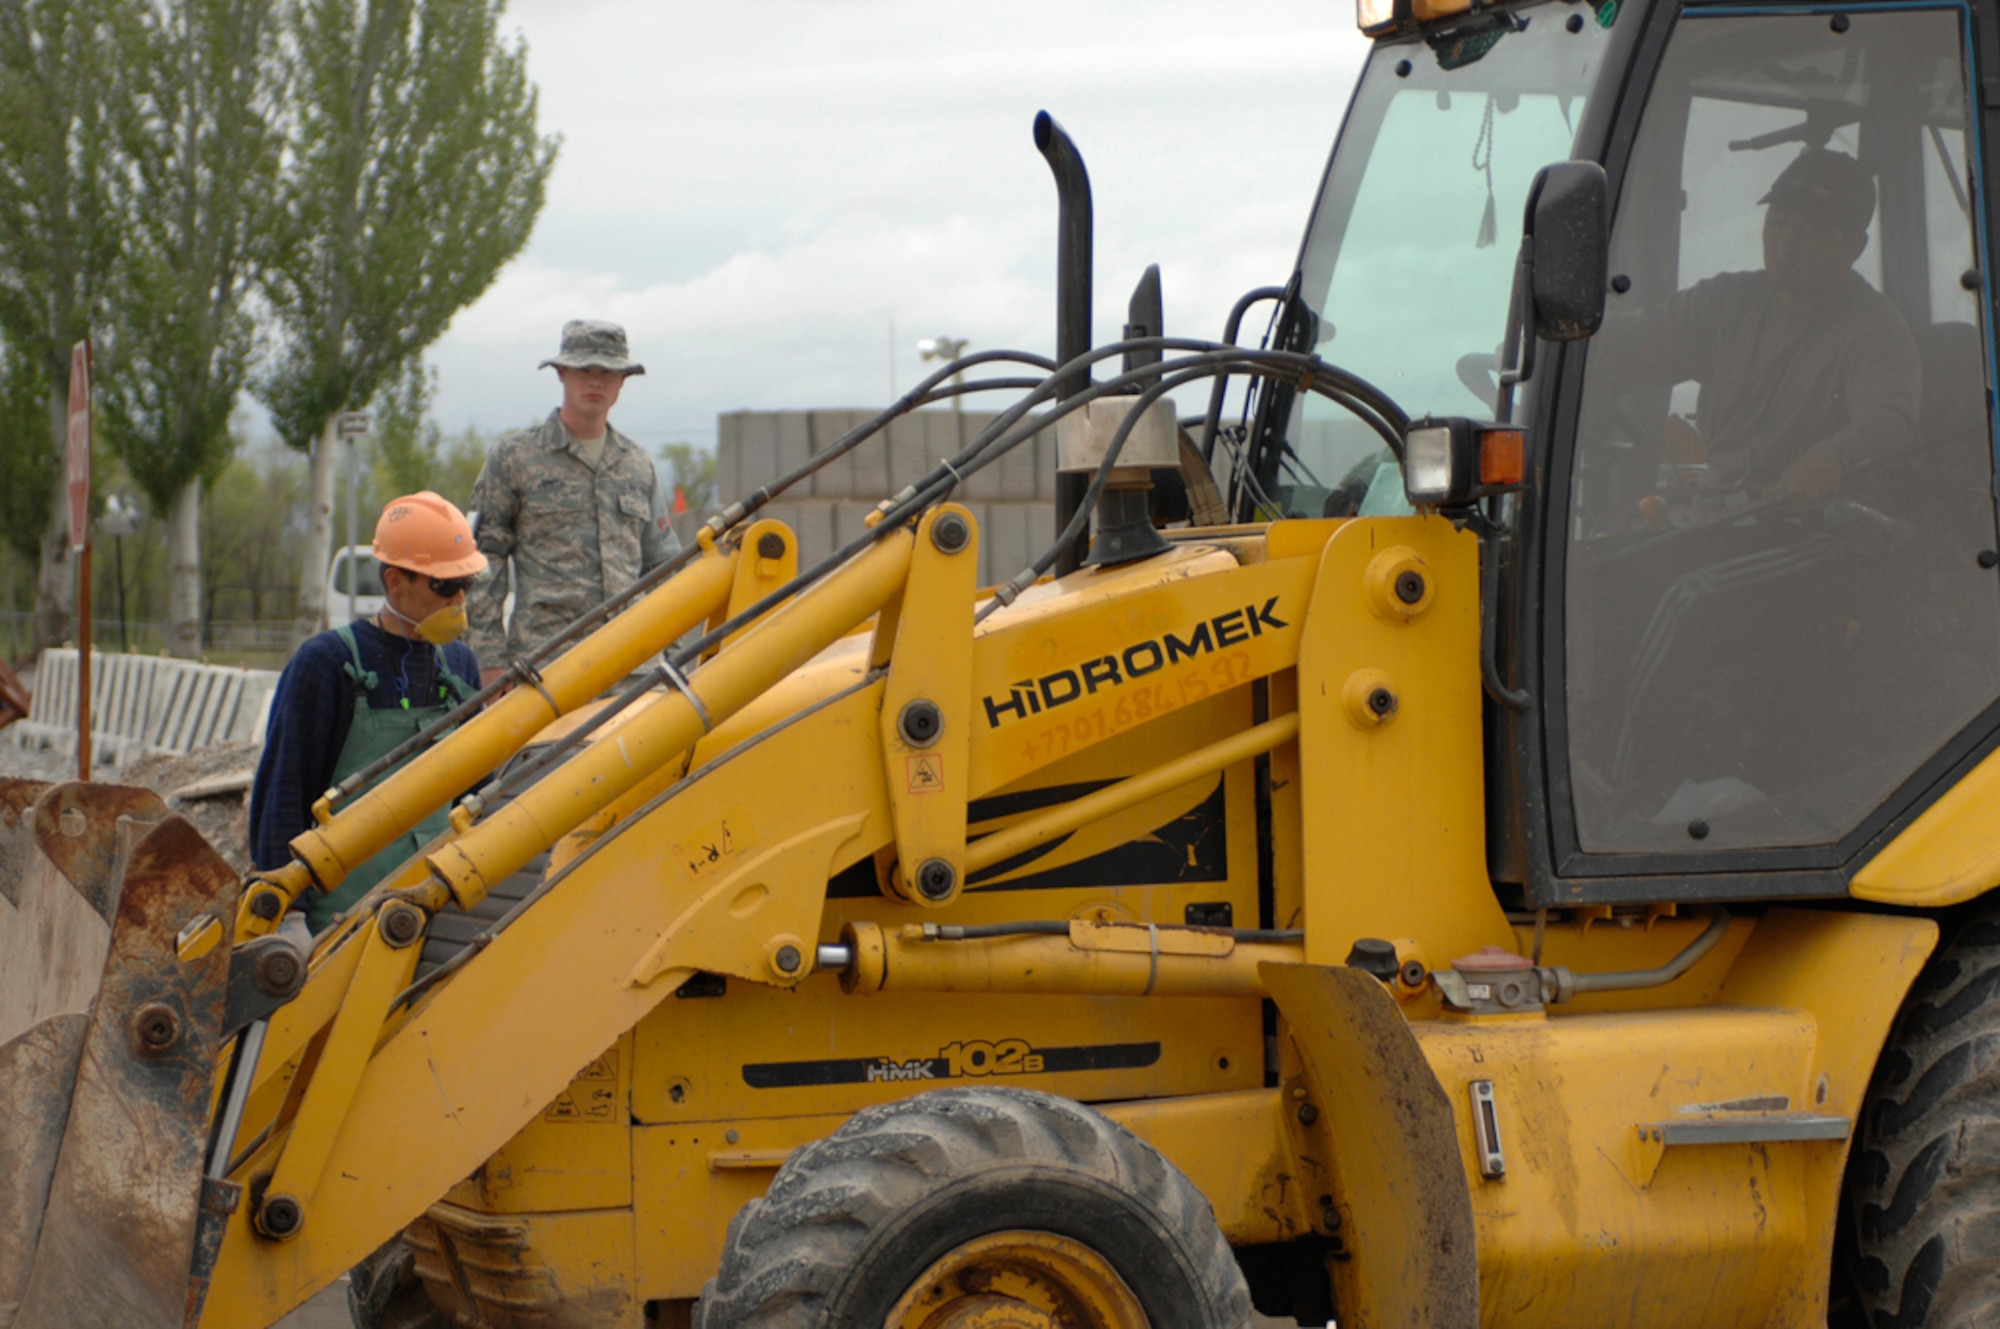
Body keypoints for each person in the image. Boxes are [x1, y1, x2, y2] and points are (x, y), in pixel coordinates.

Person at [1590, 146, 1920, 504]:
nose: (1785, 245)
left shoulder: (1876, 329)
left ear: (1854, 246)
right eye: (1777, 222)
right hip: (1714, 523)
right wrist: (1572, 327)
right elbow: (1632, 342)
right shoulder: (1725, 303)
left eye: (1807, 231)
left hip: (1809, 535)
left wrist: (1830, 460)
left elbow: (1888, 428)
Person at [249, 492, 486, 932]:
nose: (458, 600)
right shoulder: (327, 663)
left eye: (465, 585)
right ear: (396, 581)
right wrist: (289, 913)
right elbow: (285, 789)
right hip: (340, 921)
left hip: (435, 906)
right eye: (443, 586)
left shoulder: (459, 665)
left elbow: (480, 791)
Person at [467, 319, 681, 688]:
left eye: (608, 371)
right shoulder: (515, 458)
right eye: (584, 369)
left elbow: (662, 569)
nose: (595, 381)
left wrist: (674, 655)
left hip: (635, 667)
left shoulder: (638, 465)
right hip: (547, 665)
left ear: (623, 380)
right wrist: (488, 660)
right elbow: (483, 560)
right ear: (562, 373)